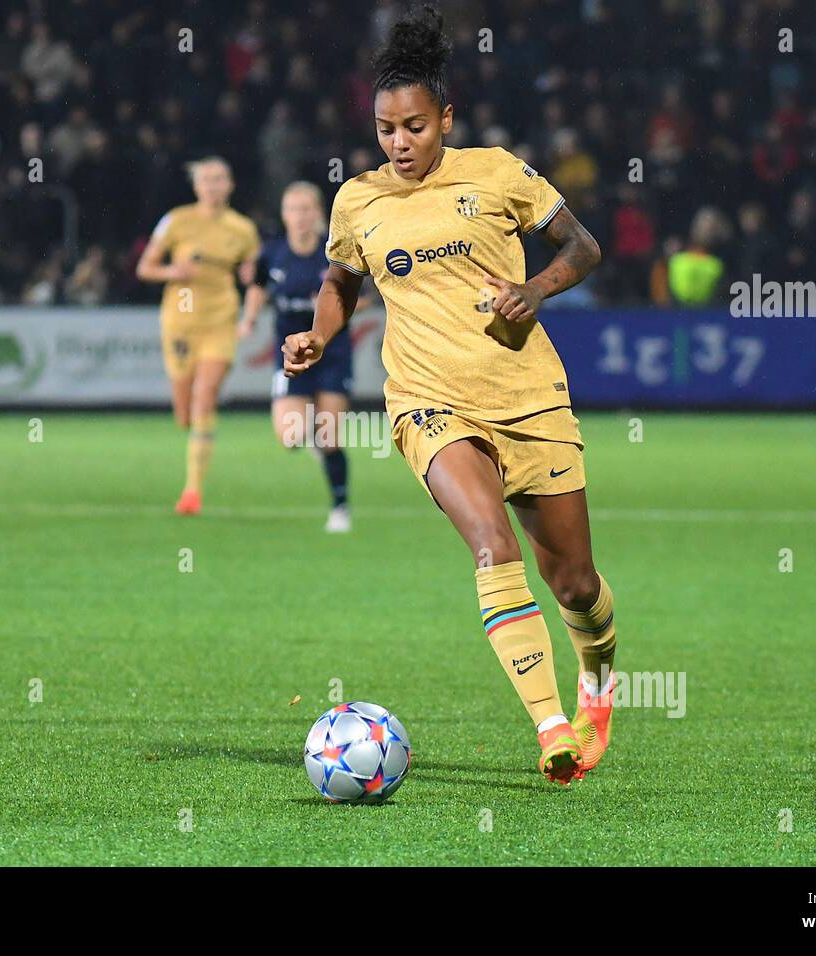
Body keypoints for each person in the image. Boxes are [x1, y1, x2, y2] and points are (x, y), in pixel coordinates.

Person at [283, 6, 618, 785]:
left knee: (574, 581)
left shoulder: (497, 172)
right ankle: (551, 727)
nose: (399, 144)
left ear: (446, 119)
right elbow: (340, 280)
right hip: (428, 400)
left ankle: (598, 675)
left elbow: (583, 245)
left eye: (415, 127)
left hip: (528, 393)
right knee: (492, 548)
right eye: (385, 130)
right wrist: (320, 335)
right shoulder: (358, 201)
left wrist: (534, 289)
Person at [136, 157, 261, 515]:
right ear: (196, 187)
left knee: (205, 396)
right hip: (180, 322)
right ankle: (195, 434)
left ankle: (192, 492)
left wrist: (251, 305)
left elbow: (252, 278)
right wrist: (174, 270)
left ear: (231, 184)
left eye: (220, 179)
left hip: (220, 320)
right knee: (185, 415)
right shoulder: (176, 220)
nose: (213, 185)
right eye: (206, 180)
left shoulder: (243, 229)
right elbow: (145, 268)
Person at [241, 181, 367, 533]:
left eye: (306, 208)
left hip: (332, 351)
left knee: (330, 437)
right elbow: (257, 287)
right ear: (284, 215)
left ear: (319, 213)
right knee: (291, 437)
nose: (300, 216)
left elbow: (366, 295)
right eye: (293, 209)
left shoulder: (337, 253)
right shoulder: (272, 253)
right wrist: (249, 318)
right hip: (291, 356)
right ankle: (311, 439)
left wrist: (330, 309)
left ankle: (340, 505)